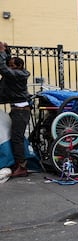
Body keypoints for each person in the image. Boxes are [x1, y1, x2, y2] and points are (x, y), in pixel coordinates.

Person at [0, 41, 31, 177]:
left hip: (21, 111)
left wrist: (1, 52)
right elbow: (7, 63)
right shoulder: (17, 71)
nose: (9, 67)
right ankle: (18, 163)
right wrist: (6, 51)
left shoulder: (18, 75)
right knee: (14, 137)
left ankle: (22, 167)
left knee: (17, 138)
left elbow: (3, 68)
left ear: (19, 67)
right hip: (17, 110)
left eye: (12, 66)